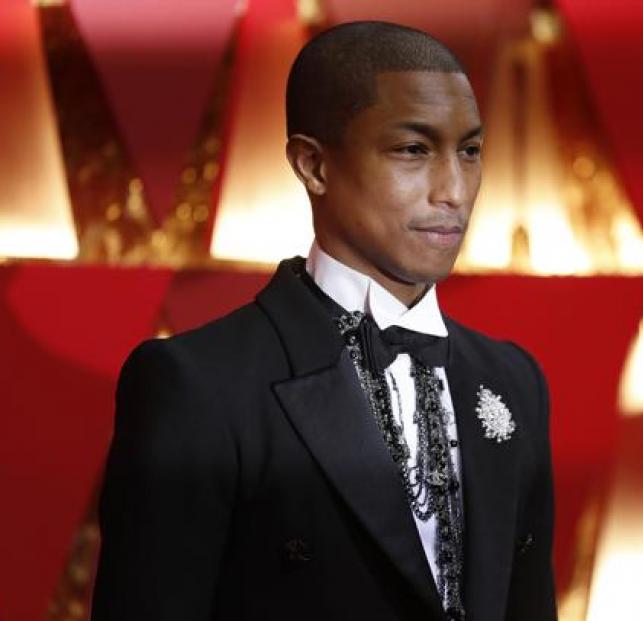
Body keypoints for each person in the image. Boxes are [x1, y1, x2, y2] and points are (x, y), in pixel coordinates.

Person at [91, 20, 556, 621]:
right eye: (413, 150)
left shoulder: (514, 379)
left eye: (469, 151)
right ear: (313, 165)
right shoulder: (200, 386)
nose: (454, 190)